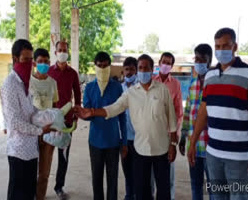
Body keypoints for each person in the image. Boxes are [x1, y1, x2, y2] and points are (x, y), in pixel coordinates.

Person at [76, 54, 178, 200]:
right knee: (142, 191)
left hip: (161, 149)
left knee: (163, 190)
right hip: (141, 150)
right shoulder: (131, 93)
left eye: (146, 68)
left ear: (152, 69)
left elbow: (172, 120)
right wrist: (91, 111)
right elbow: (113, 109)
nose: (143, 71)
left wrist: (173, 144)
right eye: (140, 68)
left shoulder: (162, 90)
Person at [188, 28, 248, 200]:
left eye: (225, 46)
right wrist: (193, 142)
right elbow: (203, 112)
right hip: (213, 153)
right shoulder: (210, 76)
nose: (221, 50)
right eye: (217, 46)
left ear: (235, 46)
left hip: (239, 157)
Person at [0, 39, 54, 200]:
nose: (30, 64)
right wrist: (39, 130)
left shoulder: (26, 82)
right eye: (26, 59)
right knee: (18, 194)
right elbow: (14, 121)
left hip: (31, 149)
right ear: (15, 59)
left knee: (30, 192)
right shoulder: (10, 84)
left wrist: (49, 118)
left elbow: (31, 110)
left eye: (31, 60)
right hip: (18, 151)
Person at [81, 51, 127, 200]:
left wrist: (124, 142)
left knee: (113, 179)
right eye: (99, 65)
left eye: (105, 65)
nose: (102, 68)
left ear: (109, 66)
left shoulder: (117, 88)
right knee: (96, 178)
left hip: (113, 141)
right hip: (95, 141)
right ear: (95, 67)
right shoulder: (89, 88)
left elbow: (122, 117)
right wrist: (84, 114)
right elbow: (87, 115)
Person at [47, 40, 81, 199]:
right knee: (45, 156)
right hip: (49, 122)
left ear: (68, 52)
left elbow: (78, 94)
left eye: (65, 50)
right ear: (55, 53)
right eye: (59, 50)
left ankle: (59, 186)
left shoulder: (73, 73)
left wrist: (76, 113)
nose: (62, 52)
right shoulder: (48, 72)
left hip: (66, 122)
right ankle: (40, 188)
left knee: (63, 157)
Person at [179, 44, 213, 200]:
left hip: (212, 147)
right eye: (196, 59)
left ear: (209, 60)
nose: (198, 62)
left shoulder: (215, 84)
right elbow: (187, 114)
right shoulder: (192, 85)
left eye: (202, 59)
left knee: (215, 188)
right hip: (193, 147)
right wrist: (182, 138)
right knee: (195, 185)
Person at [152, 52, 183, 200]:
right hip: (151, 134)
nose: (165, 65)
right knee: (150, 174)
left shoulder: (175, 84)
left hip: (167, 135)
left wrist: (174, 137)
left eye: (168, 63)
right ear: (159, 62)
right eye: (163, 62)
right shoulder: (150, 80)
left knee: (168, 174)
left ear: (171, 66)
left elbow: (178, 112)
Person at [29, 48, 59, 200]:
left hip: (48, 132)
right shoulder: (27, 82)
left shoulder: (53, 83)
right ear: (34, 63)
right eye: (40, 62)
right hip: (32, 131)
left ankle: (40, 196)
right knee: (29, 170)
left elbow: (54, 107)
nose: (43, 65)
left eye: (46, 62)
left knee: (44, 172)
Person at [121, 57, 138, 200]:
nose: (129, 72)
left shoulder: (141, 87)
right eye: (127, 69)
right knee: (127, 170)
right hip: (124, 138)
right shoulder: (120, 88)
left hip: (139, 138)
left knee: (139, 171)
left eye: (132, 69)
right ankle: (128, 195)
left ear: (136, 70)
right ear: (123, 71)